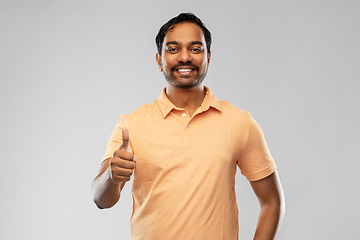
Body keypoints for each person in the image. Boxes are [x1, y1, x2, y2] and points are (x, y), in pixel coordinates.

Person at [92, 12, 285, 240]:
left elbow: (272, 201)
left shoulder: (240, 123)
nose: (185, 57)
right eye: (173, 49)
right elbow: (101, 199)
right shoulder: (131, 125)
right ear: (158, 59)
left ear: (209, 57)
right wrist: (112, 178)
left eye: (195, 49)